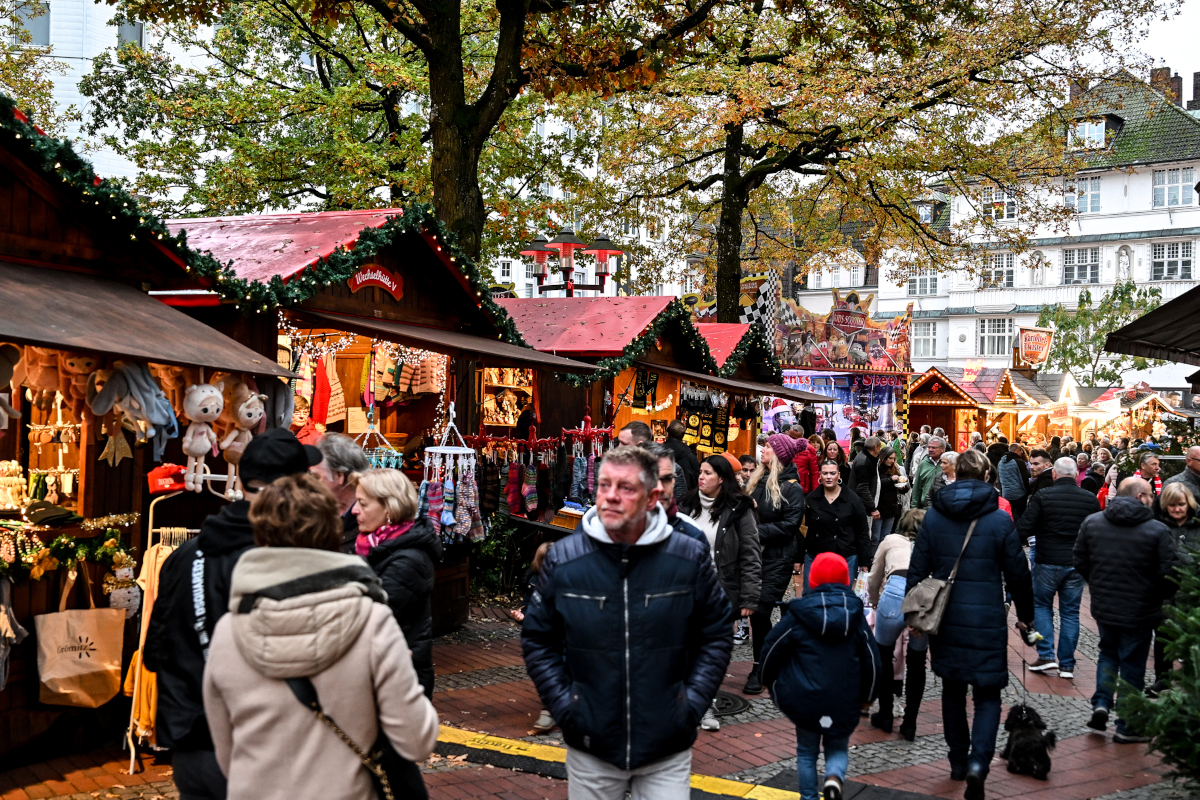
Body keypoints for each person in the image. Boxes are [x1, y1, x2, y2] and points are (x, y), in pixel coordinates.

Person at [202, 473, 439, 800]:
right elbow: (417, 739)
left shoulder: (228, 631)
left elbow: (224, 748)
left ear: (261, 535)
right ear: (332, 532)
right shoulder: (373, 622)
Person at [522, 446, 733, 798]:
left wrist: (690, 705)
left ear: (652, 498)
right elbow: (538, 638)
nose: (611, 497)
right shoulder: (565, 559)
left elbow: (715, 633)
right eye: (604, 485)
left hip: (666, 748)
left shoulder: (688, 556)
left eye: (626, 488)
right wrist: (566, 706)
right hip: (592, 749)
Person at [145, 428, 324, 800]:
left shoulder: (182, 557)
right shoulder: (289, 558)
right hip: (265, 750)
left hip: (192, 745)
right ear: (296, 487)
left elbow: (154, 653)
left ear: (242, 481)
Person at [907, 449, 1035, 800]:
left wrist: (913, 616)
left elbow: (918, 569)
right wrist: (1026, 615)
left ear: (955, 474)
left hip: (946, 618)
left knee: (952, 690)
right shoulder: (999, 520)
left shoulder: (934, 517)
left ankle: (958, 761)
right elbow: (1019, 575)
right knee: (987, 694)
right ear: (987, 477)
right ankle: (979, 763)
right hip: (986, 617)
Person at [761, 553, 882, 800]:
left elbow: (771, 649)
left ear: (812, 580)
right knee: (837, 747)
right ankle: (834, 778)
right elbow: (872, 661)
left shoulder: (798, 615)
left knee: (806, 752)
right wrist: (867, 698)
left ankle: (809, 798)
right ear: (846, 580)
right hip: (844, 699)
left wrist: (767, 680)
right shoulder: (856, 617)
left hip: (805, 698)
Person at [1074, 477, 1179, 744]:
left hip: (1105, 604)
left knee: (1108, 653)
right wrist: (1159, 596)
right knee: (1132, 663)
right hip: (1141, 609)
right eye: (1151, 495)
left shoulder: (1093, 522)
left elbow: (1080, 559)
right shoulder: (1157, 530)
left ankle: (1101, 703)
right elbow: (1169, 573)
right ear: (1141, 496)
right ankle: (1127, 724)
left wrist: (1096, 585)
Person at [354, 468, 443, 698]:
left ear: (389, 509)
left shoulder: (409, 560)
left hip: (398, 682)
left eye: (363, 504)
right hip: (379, 673)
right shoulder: (372, 545)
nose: (355, 510)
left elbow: (370, 617)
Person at [1017, 457, 1099, 679]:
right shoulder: (1089, 499)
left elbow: (1024, 527)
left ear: (1054, 474)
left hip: (1047, 561)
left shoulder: (1044, 496)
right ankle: (1067, 664)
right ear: (1075, 475)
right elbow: (1096, 531)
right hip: (1076, 563)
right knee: (1070, 612)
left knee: (1042, 607)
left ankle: (1046, 655)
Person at [744, 434, 806, 695]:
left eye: (768, 447)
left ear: (779, 454)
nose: (763, 449)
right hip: (753, 556)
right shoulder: (756, 479)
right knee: (751, 613)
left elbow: (791, 525)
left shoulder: (792, 488)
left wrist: (756, 531)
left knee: (760, 611)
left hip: (778, 558)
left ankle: (760, 667)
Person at [680, 455, 762, 631]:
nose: (701, 476)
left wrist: (749, 598)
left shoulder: (739, 509)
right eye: (701, 472)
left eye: (708, 473)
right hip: (687, 592)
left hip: (720, 592)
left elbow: (750, 555)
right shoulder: (686, 506)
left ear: (721, 478)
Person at [867, 509, 928, 740]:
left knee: (882, 654)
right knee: (918, 662)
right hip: (920, 598)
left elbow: (875, 575)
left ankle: (884, 715)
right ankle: (910, 723)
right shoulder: (931, 544)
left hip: (893, 594)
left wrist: (873, 602)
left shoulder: (890, 540)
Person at [1150, 482, 1200, 694]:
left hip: (1192, 592)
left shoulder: (1197, 526)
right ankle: (1163, 678)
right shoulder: (1157, 526)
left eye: (1181, 504)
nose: (1177, 509)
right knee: (1163, 636)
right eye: (1172, 506)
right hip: (1163, 591)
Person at [802, 461, 872, 588]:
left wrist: (865, 561)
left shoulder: (852, 499)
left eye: (832, 473)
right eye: (825, 473)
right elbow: (805, 530)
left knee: (841, 596)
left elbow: (862, 531)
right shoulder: (811, 499)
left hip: (845, 556)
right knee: (810, 595)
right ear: (820, 475)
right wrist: (799, 557)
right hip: (816, 555)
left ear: (839, 475)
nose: (829, 477)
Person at [513, 542, 557, 730]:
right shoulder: (532, 579)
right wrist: (522, 617)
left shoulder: (566, 580)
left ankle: (552, 709)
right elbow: (528, 605)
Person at [312, 433, 369, 554]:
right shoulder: (312, 511)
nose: (310, 483)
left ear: (339, 476)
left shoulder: (372, 518)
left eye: (316, 477)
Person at [851, 436, 884, 542]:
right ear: (876, 447)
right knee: (863, 536)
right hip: (862, 508)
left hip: (864, 506)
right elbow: (862, 488)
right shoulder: (864, 462)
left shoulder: (868, 458)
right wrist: (872, 508)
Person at [876, 448, 910, 542]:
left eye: (894, 459)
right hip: (879, 507)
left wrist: (903, 487)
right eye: (890, 458)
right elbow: (876, 485)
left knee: (886, 536)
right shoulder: (877, 469)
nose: (892, 461)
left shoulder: (895, 469)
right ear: (884, 457)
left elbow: (905, 487)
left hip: (891, 507)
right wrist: (891, 480)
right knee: (875, 536)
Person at [664, 419, 701, 493]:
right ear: (683, 436)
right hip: (684, 499)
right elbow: (696, 483)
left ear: (667, 434)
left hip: (661, 498)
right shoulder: (691, 456)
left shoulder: (657, 452)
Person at [911, 436, 946, 510]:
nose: (930, 450)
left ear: (943, 449)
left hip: (944, 507)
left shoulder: (948, 464)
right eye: (929, 447)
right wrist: (914, 507)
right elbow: (917, 486)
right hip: (925, 508)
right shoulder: (923, 463)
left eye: (934, 448)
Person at [997, 443, 1030, 520]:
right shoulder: (1018, 462)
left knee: (1008, 516)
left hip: (1006, 494)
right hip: (1019, 494)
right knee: (1020, 516)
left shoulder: (1000, 462)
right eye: (1020, 450)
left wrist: (1001, 492)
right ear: (1014, 450)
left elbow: (998, 479)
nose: (1022, 452)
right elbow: (1023, 479)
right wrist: (1028, 491)